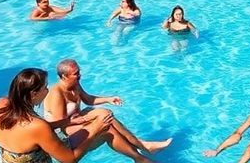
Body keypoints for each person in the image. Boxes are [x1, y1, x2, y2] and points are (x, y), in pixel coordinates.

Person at [0, 68, 130, 163]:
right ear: (33, 94)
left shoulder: (2, 104)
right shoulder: (37, 126)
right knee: (104, 132)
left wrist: (66, 122)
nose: (47, 91)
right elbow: (69, 159)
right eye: (45, 88)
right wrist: (95, 130)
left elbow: (25, 134)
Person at [44, 59, 172, 160]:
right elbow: (58, 124)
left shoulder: (75, 84)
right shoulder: (56, 94)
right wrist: (84, 119)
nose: (79, 76)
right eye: (76, 74)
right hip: (66, 130)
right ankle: (141, 149)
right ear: (64, 76)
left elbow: (88, 99)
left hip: (79, 119)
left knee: (106, 114)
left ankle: (141, 147)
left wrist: (109, 99)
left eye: (79, 72)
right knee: (106, 122)